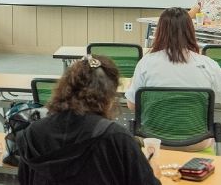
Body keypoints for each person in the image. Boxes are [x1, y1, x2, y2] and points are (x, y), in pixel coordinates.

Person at [16, 55, 161, 185]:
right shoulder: (117, 138)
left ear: (64, 90)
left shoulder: (31, 134)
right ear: (109, 97)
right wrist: (151, 173)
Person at [126, 7, 221, 151]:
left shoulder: (146, 63)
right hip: (197, 142)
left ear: (159, 31)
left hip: (153, 141)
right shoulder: (208, 64)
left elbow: (132, 105)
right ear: (191, 31)